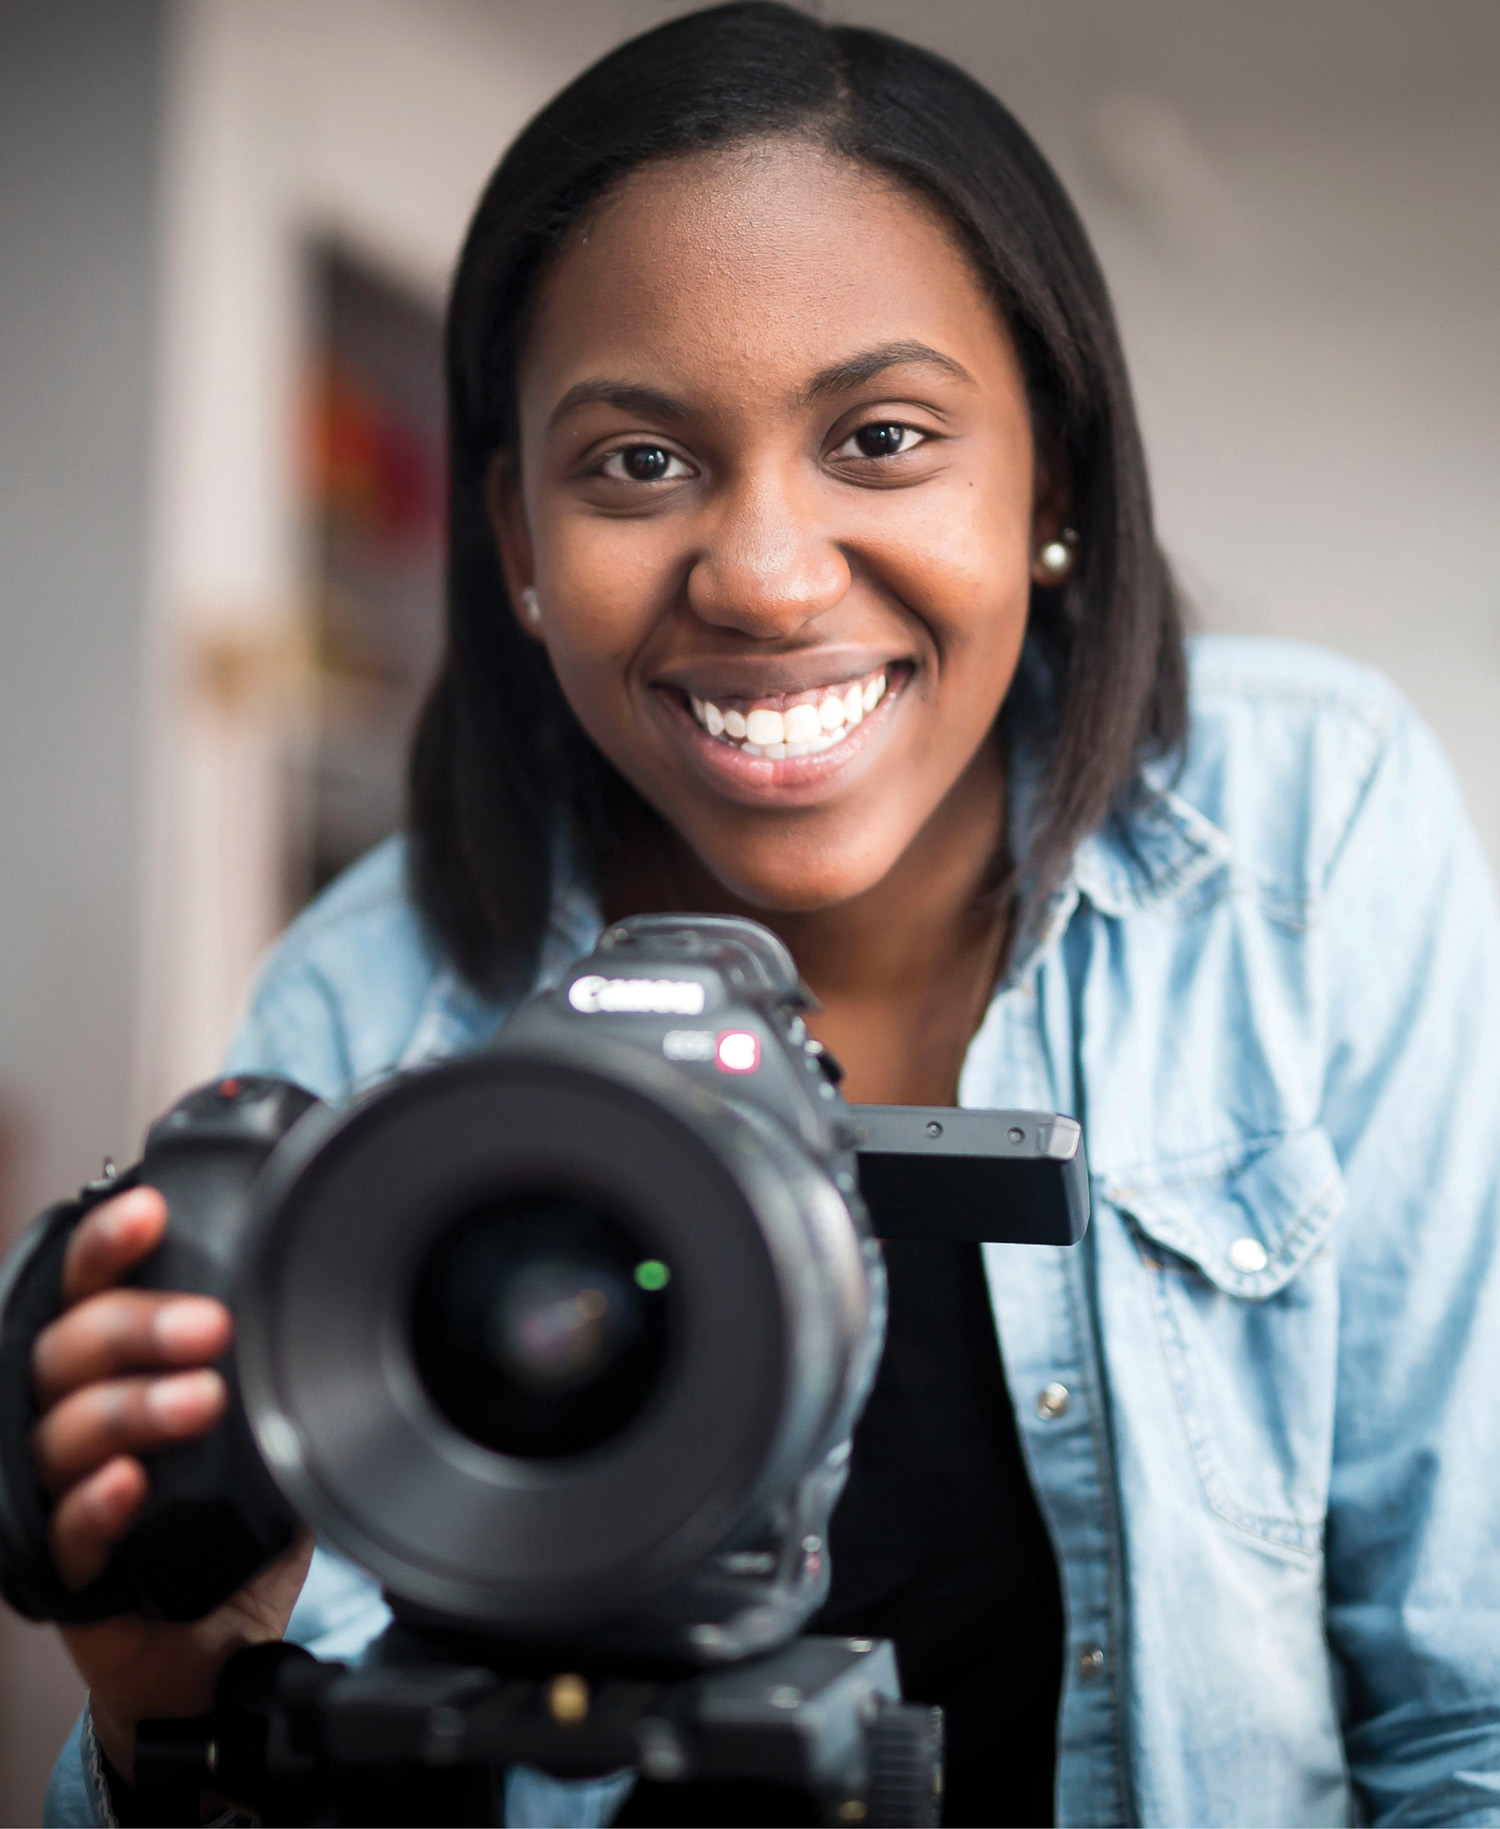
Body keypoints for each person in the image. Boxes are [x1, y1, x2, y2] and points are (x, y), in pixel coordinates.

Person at [29, 4, 1500, 1824]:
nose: (769, 575)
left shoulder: (1309, 834)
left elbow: (1472, 1727)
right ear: (513, 537)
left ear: (1049, 475)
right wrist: (181, 1720)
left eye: (881, 437)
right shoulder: (370, 1003)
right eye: (639, 463)